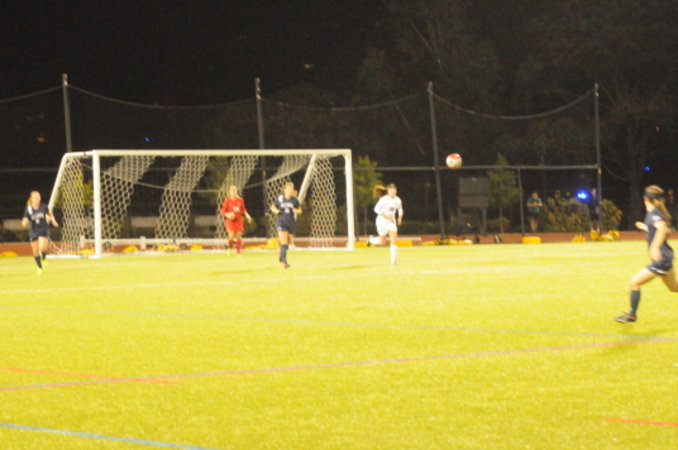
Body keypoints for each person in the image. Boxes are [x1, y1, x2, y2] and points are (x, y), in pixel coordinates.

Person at [615, 185, 678, 323]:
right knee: (674, 287)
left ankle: (632, 315)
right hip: (666, 257)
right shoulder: (655, 213)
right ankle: (631, 315)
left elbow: (662, 229)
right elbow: (663, 230)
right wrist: (645, 227)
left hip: (661, 259)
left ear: (645, 199)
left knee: (634, 282)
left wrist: (654, 247)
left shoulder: (654, 214)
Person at [21, 191, 59, 274]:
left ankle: (44, 259)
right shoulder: (29, 209)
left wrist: (53, 221)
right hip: (33, 230)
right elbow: (25, 218)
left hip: (43, 229)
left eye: (39, 197)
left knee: (42, 247)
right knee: (35, 251)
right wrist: (24, 222)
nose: (38, 199)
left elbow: (50, 214)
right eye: (36, 197)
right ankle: (40, 268)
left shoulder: (44, 207)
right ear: (32, 199)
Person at [368, 183, 403, 265]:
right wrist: (385, 215)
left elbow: (400, 209)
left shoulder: (398, 200)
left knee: (394, 239)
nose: (393, 191)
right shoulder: (384, 199)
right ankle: (370, 240)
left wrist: (400, 218)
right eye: (391, 189)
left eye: (394, 189)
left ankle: (393, 261)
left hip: (391, 222)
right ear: (388, 191)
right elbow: (376, 209)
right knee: (382, 242)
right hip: (381, 221)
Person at [270, 182, 301, 268]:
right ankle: (284, 262)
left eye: (291, 189)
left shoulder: (295, 200)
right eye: (288, 189)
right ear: (285, 190)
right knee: (284, 243)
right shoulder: (280, 198)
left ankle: (280, 252)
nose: (290, 190)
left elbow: (300, 210)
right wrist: (276, 211)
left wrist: (295, 210)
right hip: (282, 222)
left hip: (290, 222)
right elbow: (272, 207)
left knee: (288, 242)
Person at [220, 185, 252, 256]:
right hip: (230, 221)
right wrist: (228, 215)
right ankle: (229, 248)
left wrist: (247, 216)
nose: (233, 192)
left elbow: (243, 210)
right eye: (232, 191)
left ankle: (238, 252)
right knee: (231, 235)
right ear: (229, 192)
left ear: (237, 191)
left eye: (235, 191)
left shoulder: (240, 200)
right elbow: (222, 211)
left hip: (238, 220)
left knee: (238, 236)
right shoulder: (227, 200)